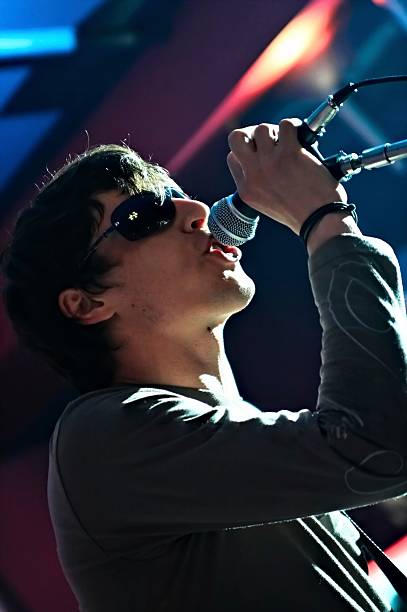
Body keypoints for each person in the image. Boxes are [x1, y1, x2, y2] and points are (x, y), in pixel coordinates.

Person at [1, 118, 407, 612]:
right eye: (144, 215)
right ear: (86, 303)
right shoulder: (102, 441)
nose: (195, 210)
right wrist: (325, 217)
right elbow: (378, 445)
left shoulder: (233, 435)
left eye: (179, 194)